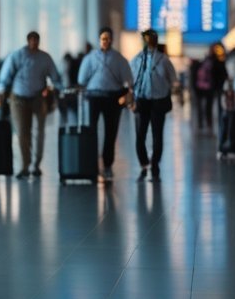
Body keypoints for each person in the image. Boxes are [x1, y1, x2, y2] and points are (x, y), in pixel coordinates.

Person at [0, 31, 63, 178]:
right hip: (18, 98)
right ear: (28, 41)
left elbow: (55, 77)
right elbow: (6, 75)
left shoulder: (45, 58)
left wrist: (61, 90)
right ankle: (25, 165)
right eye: (31, 40)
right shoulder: (17, 55)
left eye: (36, 40)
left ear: (38, 41)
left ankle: (36, 164)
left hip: (38, 98)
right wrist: (1, 91)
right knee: (22, 132)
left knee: (40, 132)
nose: (34, 42)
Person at [75, 27, 133, 182]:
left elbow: (128, 79)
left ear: (111, 40)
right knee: (91, 131)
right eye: (103, 38)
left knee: (111, 132)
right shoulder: (90, 58)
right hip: (94, 97)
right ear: (99, 40)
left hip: (112, 98)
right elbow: (82, 79)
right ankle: (91, 164)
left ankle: (107, 165)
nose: (105, 41)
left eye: (108, 38)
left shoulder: (118, 58)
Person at [130, 28, 178, 182]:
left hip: (158, 100)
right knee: (140, 134)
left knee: (157, 135)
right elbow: (130, 81)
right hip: (141, 99)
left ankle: (155, 163)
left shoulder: (163, 60)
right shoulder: (137, 60)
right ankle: (144, 163)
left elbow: (173, 79)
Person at [192, 43, 228, 131]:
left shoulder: (203, 62)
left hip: (201, 87)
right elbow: (223, 75)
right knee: (208, 107)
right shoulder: (217, 62)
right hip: (209, 88)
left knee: (202, 107)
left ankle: (202, 123)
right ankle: (208, 123)